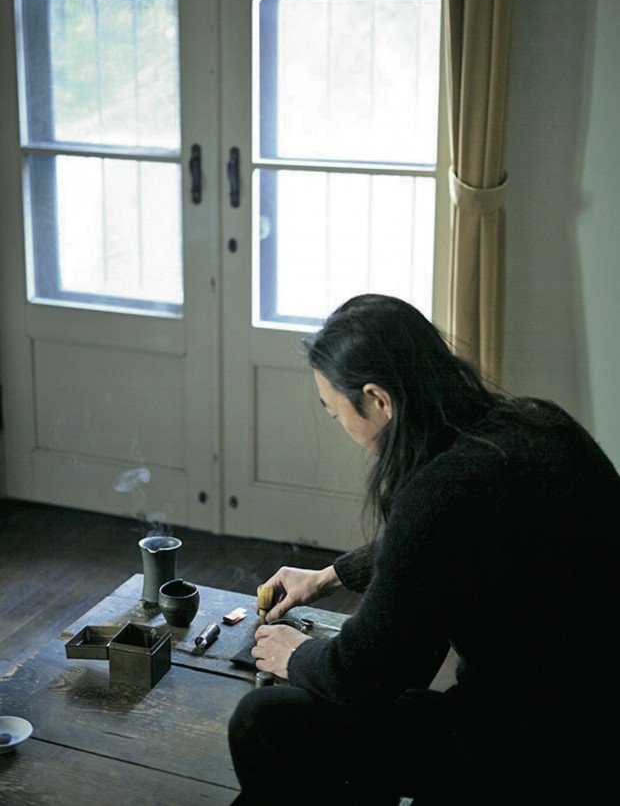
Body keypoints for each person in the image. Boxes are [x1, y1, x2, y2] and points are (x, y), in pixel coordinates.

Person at [227, 294, 620, 805]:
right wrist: (330, 575)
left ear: (378, 400)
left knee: (262, 721)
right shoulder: (537, 424)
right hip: (599, 715)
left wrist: (295, 653)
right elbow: (451, 540)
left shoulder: (441, 492)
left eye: (335, 411)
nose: (342, 427)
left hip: (541, 754)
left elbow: (362, 675)